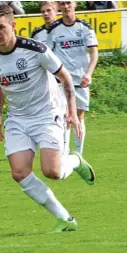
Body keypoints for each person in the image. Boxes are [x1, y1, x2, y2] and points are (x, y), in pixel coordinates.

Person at [0, 5, 95, 232]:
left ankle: (75, 161)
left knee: (53, 172)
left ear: (13, 26)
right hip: (18, 118)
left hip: (48, 113)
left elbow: (65, 78)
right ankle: (65, 219)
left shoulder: (35, 49)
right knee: (19, 173)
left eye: (1, 27)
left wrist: (71, 111)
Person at [46, 1, 99, 155]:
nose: (66, 6)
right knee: (64, 117)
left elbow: (94, 52)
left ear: (75, 4)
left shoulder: (85, 27)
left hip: (80, 82)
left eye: (68, 2)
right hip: (61, 82)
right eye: (62, 3)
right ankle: (63, 152)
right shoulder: (54, 29)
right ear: (59, 7)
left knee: (79, 116)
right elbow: (49, 55)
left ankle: (78, 154)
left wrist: (89, 73)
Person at [31, 1, 69, 155]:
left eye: (49, 11)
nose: (46, 14)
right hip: (45, 83)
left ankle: (64, 150)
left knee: (65, 114)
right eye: (43, 11)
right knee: (51, 116)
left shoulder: (64, 30)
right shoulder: (37, 34)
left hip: (62, 80)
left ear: (56, 11)